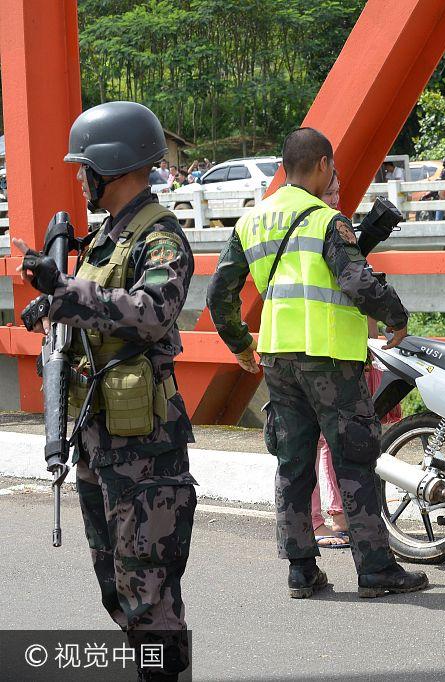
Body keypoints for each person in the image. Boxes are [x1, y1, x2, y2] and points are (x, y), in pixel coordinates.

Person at [15, 101, 197, 681]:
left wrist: (66, 291)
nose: (78, 177)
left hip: (144, 442)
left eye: (83, 166)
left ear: (109, 166)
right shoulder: (106, 239)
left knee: (151, 592)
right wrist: (51, 305)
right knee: (117, 589)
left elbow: (152, 311)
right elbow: (92, 315)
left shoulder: (159, 236)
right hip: (99, 436)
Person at [207, 127, 428, 599]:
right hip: (329, 358)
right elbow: (356, 281)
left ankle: (301, 572)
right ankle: (375, 570)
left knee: (293, 463)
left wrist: (241, 344)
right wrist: (395, 314)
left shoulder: (253, 221)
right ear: (324, 164)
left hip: (278, 359)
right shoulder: (326, 220)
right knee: (355, 457)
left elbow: (219, 292)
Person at [310, 171, 402, 550]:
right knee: (323, 440)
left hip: (330, 348)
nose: (334, 197)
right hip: (320, 350)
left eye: (338, 190)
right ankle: (327, 517)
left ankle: (322, 520)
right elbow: (358, 287)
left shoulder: (327, 229)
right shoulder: (324, 228)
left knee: (317, 441)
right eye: (328, 190)